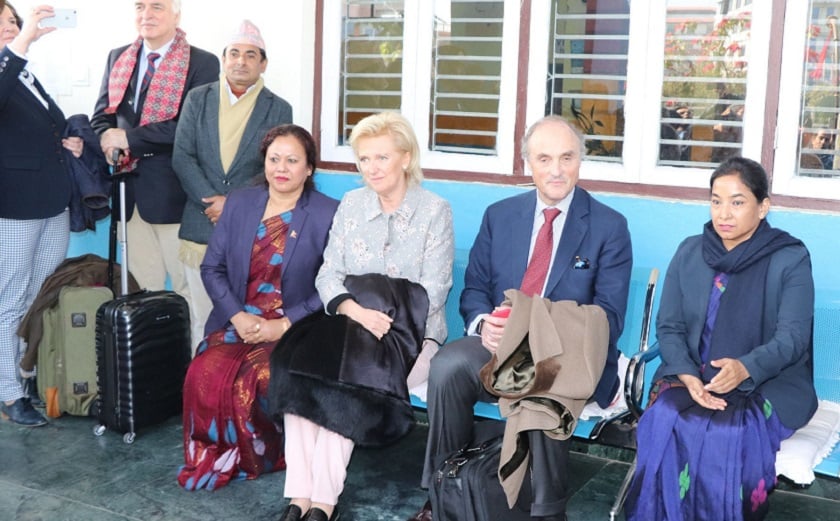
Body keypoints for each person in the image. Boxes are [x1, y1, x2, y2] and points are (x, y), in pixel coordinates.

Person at [409, 115, 633, 521]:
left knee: (541, 385)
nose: (556, 169)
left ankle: (547, 511)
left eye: (567, 157)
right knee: (447, 366)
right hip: (498, 345)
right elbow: (475, 288)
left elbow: (608, 317)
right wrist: (483, 325)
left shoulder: (609, 227)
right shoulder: (501, 215)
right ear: (528, 161)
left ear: (580, 161)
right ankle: (445, 489)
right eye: (544, 158)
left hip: (566, 354)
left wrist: (536, 334)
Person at [272, 111, 455, 521]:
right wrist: (355, 310)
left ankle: (323, 501)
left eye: (381, 158)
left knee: (345, 379)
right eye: (364, 159)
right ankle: (298, 496)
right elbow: (328, 272)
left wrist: (380, 315)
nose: (371, 168)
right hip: (347, 324)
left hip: (409, 335)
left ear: (406, 158)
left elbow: (435, 290)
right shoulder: (353, 204)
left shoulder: (434, 211)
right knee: (299, 368)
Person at [624, 157, 817, 521]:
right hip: (691, 375)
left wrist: (746, 367)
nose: (724, 213)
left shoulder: (789, 258)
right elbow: (670, 326)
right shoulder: (690, 252)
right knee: (666, 415)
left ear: (763, 207)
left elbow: (792, 339)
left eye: (738, 201)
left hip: (769, 383)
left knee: (728, 431)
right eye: (716, 201)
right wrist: (687, 375)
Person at [177, 125, 339, 491]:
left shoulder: (327, 214)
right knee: (202, 371)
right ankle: (218, 453)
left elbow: (331, 285)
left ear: (309, 168)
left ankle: (263, 454)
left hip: (295, 327)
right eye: (274, 159)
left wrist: (282, 325)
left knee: (259, 377)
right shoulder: (240, 203)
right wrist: (237, 315)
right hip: (238, 318)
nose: (281, 168)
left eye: (293, 160)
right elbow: (212, 268)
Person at [173, 19, 293, 352]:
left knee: (245, 317)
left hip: (251, 227)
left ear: (263, 63)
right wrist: (212, 202)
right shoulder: (198, 99)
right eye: (235, 54)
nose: (241, 61)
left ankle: (236, 394)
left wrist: (234, 204)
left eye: (251, 55)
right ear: (224, 59)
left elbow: (276, 167)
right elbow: (182, 156)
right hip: (201, 220)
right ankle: (201, 392)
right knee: (202, 317)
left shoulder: (279, 108)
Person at [90, 0, 219, 301]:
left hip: (175, 195)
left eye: (157, 6)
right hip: (129, 195)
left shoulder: (203, 62)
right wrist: (108, 138)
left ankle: (192, 350)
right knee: (141, 290)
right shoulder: (118, 58)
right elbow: (102, 118)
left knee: (189, 291)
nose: (146, 14)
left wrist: (128, 139)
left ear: (177, 13)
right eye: (140, 6)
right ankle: (152, 350)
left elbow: (189, 128)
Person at [0, 3, 86, 427]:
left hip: (51, 202)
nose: (8, 28)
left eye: (11, 22)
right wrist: (19, 44)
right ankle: (9, 393)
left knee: (36, 293)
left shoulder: (24, 74)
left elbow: (42, 128)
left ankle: (22, 370)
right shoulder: (8, 69)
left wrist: (69, 142)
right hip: (14, 207)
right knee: (8, 300)